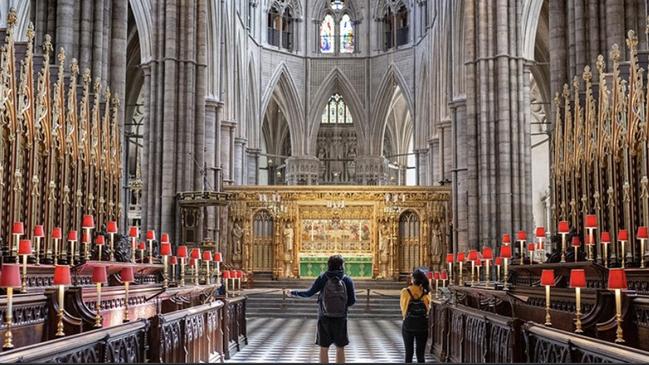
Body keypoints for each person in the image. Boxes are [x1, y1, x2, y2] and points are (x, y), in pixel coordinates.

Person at [289, 255, 356, 364]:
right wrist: (341, 305)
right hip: (341, 318)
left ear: (328, 265)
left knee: (324, 348)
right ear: (342, 265)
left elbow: (309, 293)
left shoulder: (323, 278)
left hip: (324, 316)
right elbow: (352, 301)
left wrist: (293, 293)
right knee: (340, 347)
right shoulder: (347, 280)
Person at [400, 268, 431, 363]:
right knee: (420, 355)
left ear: (413, 279)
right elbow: (428, 308)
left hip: (408, 325)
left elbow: (403, 308)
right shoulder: (426, 293)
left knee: (408, 354)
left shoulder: (405, 291)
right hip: (422, 326)